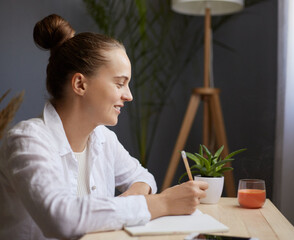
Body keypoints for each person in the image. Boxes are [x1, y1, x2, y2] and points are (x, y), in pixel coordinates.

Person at [0, 14, 208, 240]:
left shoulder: (102, 138)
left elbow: (144, 178)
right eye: (120, 83)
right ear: (80, 84)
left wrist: (131, 201)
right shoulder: (26, 141)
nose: (128, 96)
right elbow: (61, 219)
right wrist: (161, 204)